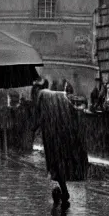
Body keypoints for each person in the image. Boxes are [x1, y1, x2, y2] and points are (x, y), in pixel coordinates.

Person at [32, 79, 88, 208]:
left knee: (55, 163)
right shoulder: (58, 96)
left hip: (53, 135)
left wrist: (33, 129)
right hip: (62, 133)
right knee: (60, 162)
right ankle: (64, 190)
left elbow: (37, 118)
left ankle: (64, 191)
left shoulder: (41, 96)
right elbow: (72, 111)